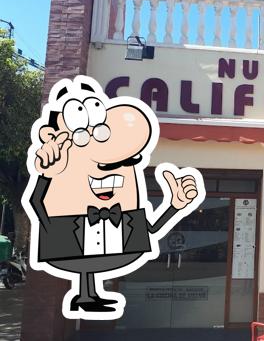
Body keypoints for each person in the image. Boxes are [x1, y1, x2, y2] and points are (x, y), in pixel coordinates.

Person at [22, 75, 204, 316]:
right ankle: (86, 295)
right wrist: (49, 222)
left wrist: (175, 205)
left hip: (104, 235)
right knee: (84, 261)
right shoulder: (59, 170)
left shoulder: (124, 216)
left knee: (89, 262)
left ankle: (89, 295)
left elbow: (148, 230)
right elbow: (36, 200)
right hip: (69, 232)